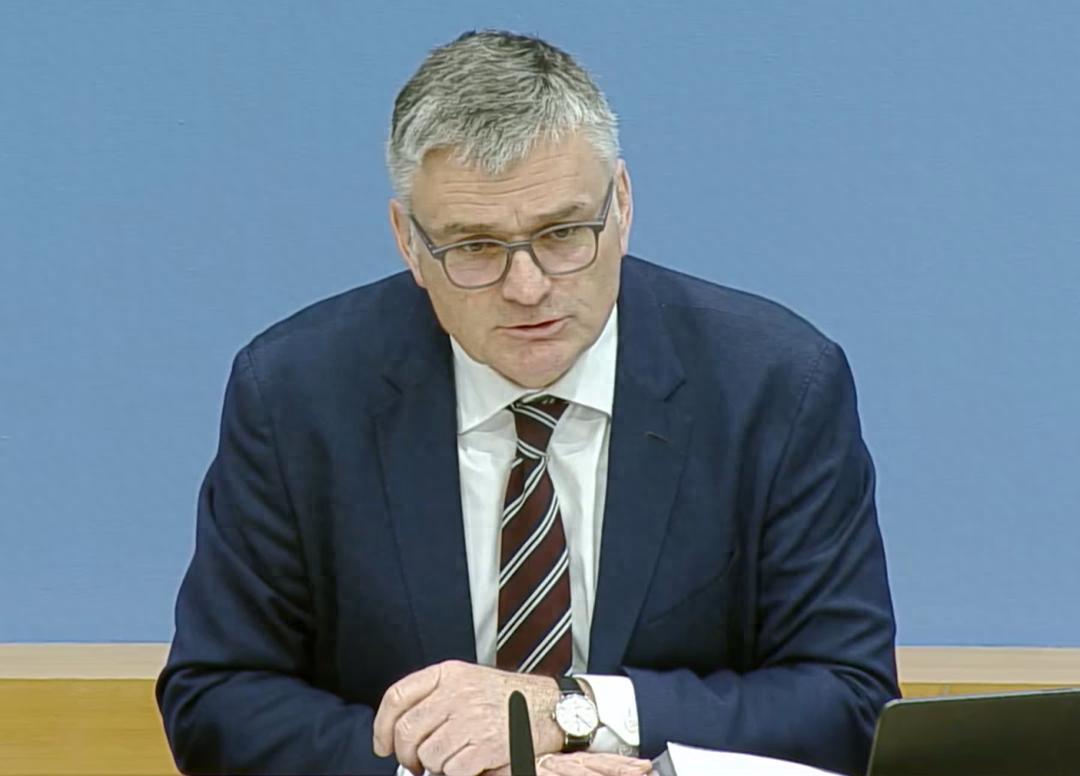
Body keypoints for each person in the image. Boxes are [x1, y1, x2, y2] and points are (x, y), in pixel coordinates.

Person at [157, 30, 899, 776]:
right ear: (408, 243)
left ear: (623, 206)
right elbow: (218, 698)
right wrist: (454, 770)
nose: (527, 287)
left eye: (563, 234)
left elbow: (848, 703)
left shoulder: (773, 387)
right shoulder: (299, 395)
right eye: (475, 247)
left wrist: (579, 712)